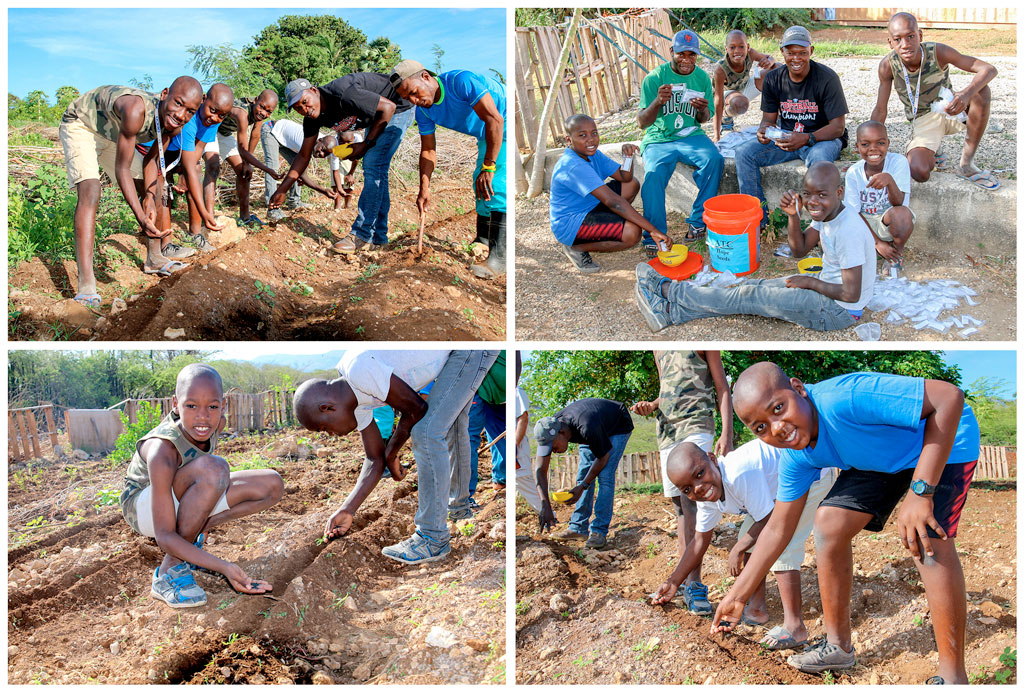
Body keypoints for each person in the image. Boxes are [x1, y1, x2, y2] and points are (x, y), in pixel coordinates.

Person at [711, 363, 979, 684]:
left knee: (927, 540)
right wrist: (737, 595)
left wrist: (921, 492)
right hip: (882, 459)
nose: (776, 428)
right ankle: (838, 647)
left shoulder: (844, 399)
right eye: (760, 427)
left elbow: (949, 397)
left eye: (778, 409)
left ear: (798, 388)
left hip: (941, 440)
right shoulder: (796, 456)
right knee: (829, 521)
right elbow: (778, 528)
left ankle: (953, 678)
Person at [292, 350, 498, 565]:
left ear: (327, 408)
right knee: (451, 423)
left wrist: (392, 453)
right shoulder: (357, 403)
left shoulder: (358, 370)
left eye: (324, 428)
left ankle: (432, 537)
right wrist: (347, 509)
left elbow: (416, 409)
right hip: (459, 354)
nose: (331, 434)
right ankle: (459, 510)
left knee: (426, 431)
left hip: (468, 351)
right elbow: (374, 459)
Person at [634, 161, 873, 333]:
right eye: (807, 194)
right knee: (752, 286)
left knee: (750, 295)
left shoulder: (848, 229)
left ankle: (669, 292)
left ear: (839, 192)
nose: (813, 201)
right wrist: (793, 216)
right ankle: (670, 313)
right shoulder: (828, 214)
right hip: (828, 293)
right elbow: (799, 251)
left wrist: (810, 282)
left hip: (836, 311)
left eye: (821, 194)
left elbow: (851, 294)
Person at [119, 364, 283, 608]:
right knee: (215, 469)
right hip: (143, 507)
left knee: (272, 485)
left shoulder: (215, 424)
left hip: (185, 492)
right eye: (191, 405)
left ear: (223, 406)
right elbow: (164, 535)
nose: (203, 416)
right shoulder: (162, 450)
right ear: (175, 404)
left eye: (213, 406)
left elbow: (205, 469)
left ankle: (194, 533)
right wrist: (223, 567)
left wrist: (202, 522)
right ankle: (169, 571)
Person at [651, 440, 836, 651]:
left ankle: (795, 627)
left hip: (811, 476)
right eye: (688, 489)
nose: (698, 488)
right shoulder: (708, 496)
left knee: (782, 545)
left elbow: (769, 520)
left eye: (700, 474)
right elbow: (700, 540)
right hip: (781, 491)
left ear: (712, 459)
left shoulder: (739, 474)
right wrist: (674, 582)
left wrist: (738, 548)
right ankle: (757, 609)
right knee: (749, 539)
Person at [59, 77, 204, 305]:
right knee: (91, 190)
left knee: (156, 184)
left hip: (113, 134)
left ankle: (155, 258)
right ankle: (86, 285)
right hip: (82, 125)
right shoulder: (136, 109)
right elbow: (122, 169)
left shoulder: (173, 127)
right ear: (165, 94)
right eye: (178, 103)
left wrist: (148, 196)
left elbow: (151, 162)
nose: (181, 114)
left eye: (190, 111)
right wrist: (140, 215)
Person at [630, 350, 733, 613]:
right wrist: (652, 406)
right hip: (666, 429)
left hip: (696, 422)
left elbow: (721, 387)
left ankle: (695, 584)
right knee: (680, 505)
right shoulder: (658, 349)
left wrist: (727, 433)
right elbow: (667, 387)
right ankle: (685, 581)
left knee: (693, 504)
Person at [391, 61, 507, 279]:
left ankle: (500, 259)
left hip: (506, 120)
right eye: (408, 99)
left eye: (414, 93)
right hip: (486, 132)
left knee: (496, 183)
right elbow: (428, 151)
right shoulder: (424, 112)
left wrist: (489, 166)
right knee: (479, 181)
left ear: (425, 77)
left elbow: (495, 119)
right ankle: (482, 239)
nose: (415, 101)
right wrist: (424, 188)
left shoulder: (460, 82)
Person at [276, 75, 413, 253]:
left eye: (305, 101)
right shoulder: (311, 118)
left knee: (373, 164)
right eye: (297, 108)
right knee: (377, 169)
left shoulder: (342, 94)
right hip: (377, 116)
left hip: (397, 107)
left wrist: (366, 144)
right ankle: (378, 236)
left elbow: (388, 107)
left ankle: (362, 234)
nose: (304, 109)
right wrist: (282, 189)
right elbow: (303, 156)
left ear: (314, 90)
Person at [733, 26, 848, 224]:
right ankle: (757, 221)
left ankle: (823, 227)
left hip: (821, 138)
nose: (796, 59)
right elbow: (768, 120)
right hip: (787, 137)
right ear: (782, 52)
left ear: (811, 51)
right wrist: (764, 131)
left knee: (819, 162)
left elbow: (837, 127)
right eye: (790, 53)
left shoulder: (827, 78)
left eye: (802, 53)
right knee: (744, 153)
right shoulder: (773, 78)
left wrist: (807, 138)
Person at [870, 12, 998, 189]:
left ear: (920, 35)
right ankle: (932, 149)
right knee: (919, 171)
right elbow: (880, 110)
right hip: (923, 119)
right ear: (890, 42)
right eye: (897, 39)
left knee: (981, 92)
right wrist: (870, 151)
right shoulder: (888, 65)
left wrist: (966, 95)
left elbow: (988, 69)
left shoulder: (937, 52)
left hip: (951, 108)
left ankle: (967, 164)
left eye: (911, 36)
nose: (905, 45)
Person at [548, 113, 671, 273]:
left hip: (590, 207)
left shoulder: (591, 153)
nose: (591, 139)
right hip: (571, 223)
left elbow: (624, 176)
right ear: (569, 140)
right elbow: (614, 202)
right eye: (582, 135)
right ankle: (575, 247)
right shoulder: (572, 165)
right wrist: (653, 230)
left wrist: (627, 157)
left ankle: (610, 224)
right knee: (632, 233)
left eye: (594, 133)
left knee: (631, 184)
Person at [638, 29, 724, 250]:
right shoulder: (655, 78)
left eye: (692, 55)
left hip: (690, 134)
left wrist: (702, 110)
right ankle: (654, 236)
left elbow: (703, 119)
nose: (686, 60)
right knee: (653, 175)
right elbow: (642, 122)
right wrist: (657, 102)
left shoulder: (702, 78)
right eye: (681, 54)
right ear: (671, 52)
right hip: (659, 138)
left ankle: (697, 222)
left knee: (714, 159)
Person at [138, 83, 233, 254]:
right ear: (204, 99)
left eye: (222, 116)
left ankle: (195, 234)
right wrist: (205, 212)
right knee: (163, 185)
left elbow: (198, 149)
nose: (215, 118)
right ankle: (166, 244)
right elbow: (185, 159)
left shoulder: (213, 121)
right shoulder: (189, 119)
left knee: (195, 172)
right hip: (152, 149)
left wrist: (185, 174)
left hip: (176, 149)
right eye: (213, 110)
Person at [533, 398, 634, 549]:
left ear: (562, 432)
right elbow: (540, 470)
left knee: (605, 475)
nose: (552, 451)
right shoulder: (550, 427)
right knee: (584, 473)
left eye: (553, 446)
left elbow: (603, 457)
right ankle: (578, 528)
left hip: (617, 424)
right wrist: (545, 504)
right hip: (594, 426)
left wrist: (583, 486)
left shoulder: (586, 426)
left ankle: (599, 531)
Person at [202, 89, 281, 227]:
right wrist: (267, 170)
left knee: (244, 173)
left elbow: (255, 135)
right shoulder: (242, 113)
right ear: (255, 100)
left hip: (224, 133)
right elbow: (243, 150)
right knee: (213, 166)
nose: (263, 113)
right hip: (210, 128)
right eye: (262, 107)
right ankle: (209, 218)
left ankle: (245, 217)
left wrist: (246, 164)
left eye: (269, 111)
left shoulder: (259, 115)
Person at [845, 121, 914, 272]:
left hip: (887, 220)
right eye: (865, 144)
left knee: (902, 215)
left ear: (888, 144)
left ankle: (895, 254)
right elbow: (853, 214)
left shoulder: (898, 163)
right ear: (857, 147)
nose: (873, 149)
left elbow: (899, 203)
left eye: (880, 143)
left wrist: (889, 181)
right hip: (863, 223)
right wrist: (876, 243)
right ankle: (876, 248)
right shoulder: (853, 173)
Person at [260, 118, 353, 221]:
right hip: (271, 130)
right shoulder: (306, 140)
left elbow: (335, 170)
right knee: (273, 168)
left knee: (297, 167)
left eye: (325, 154)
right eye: (322, 149)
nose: (321, 154)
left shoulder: (332, 149)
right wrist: (323, 190)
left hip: (284, 138)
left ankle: (294, 202)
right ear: (319, 140)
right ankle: (273, 210)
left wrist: (340, 189)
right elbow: (302, 175)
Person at [712, 30, 776, 141]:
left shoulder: (750, 54)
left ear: (748, 47)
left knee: (777, 69)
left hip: (743, 87)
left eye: (741, 47)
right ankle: (726, 117)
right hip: (727, 95)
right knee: (740, 103)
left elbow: (770, 58)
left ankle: (779, 114)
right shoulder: (720, 69)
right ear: (726, 49)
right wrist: (716, 135)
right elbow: (717, 101)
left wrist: (769, 61)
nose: (737, 51)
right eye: (732, 47)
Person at [514, 352, 543, 513]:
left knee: (523, 480)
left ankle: (548, 516)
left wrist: (514, 445)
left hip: (517, 447)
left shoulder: (516, 391)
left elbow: (523, 419)